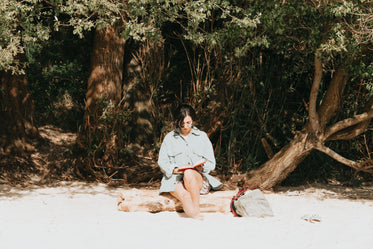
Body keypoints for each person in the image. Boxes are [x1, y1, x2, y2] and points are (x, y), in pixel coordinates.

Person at [157, 104, 222, 219]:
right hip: (174, 179)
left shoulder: (202, 136)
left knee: (189, 173)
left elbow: (211, 163)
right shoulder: (169, 138)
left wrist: (201, 168)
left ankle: (196, 210)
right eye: (182, 124)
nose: (185, 126)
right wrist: (175, 169)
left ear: (193, 120)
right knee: (185, 196)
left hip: (197, 178)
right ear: (177, 122)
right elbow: (162, 161)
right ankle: (195, 215)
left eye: (188, 123)